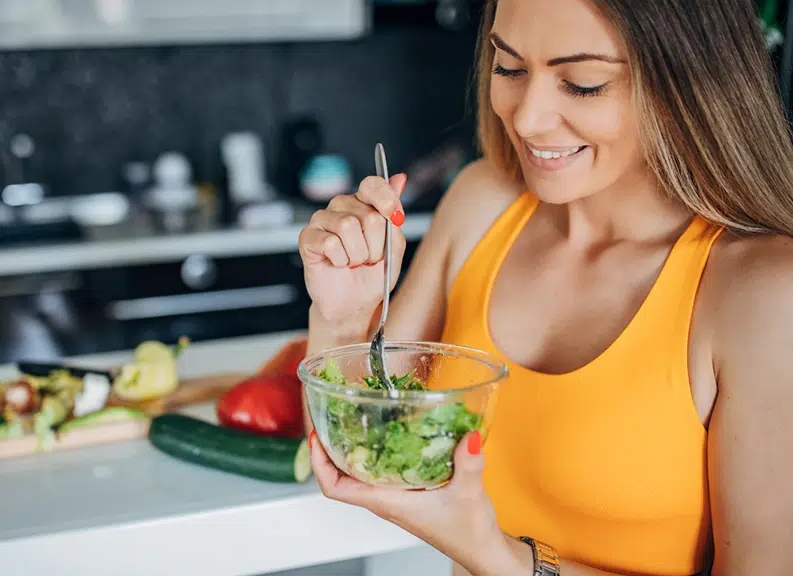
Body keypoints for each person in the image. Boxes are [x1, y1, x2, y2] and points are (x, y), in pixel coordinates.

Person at [296, 0, 793, 574]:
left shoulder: (761, 294)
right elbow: (359, 456)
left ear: (691, 82)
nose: (527, 119)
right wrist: (345, 316)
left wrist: (497, 555)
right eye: (508, 68)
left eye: (583, 84)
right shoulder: (483, 202)